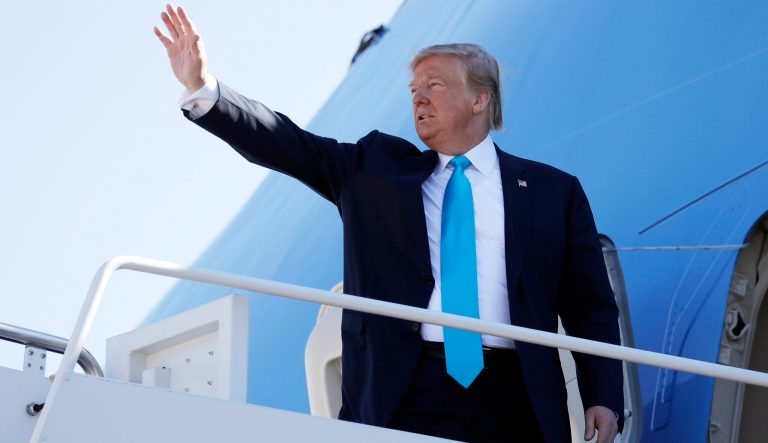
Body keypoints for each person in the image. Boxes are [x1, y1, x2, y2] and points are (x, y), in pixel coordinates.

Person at [155, 4, 624, 442]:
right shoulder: (373, 170)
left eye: (434, 85)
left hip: (516, 394)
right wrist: (204, 88)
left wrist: (603, 395)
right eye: (413, 89)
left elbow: (589, 305)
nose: (418, 97)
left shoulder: (552, 191)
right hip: (405, 388)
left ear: (480, 98)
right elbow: (285, 141)